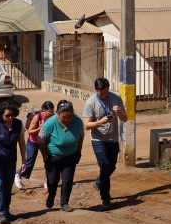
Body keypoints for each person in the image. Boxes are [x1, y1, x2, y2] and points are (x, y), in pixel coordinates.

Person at [83, 78, 127, 210]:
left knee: (111, 166)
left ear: (108, 89)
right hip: (98, 140)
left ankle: (99, 182)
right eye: (101, 94)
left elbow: (125, 118)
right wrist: (100, 122)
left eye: (105, 93)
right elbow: (87, 125)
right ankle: (105, 198)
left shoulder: (115, 98)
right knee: (105, 165)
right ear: (96, 91)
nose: (103, 96)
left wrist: (119, 112)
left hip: (112, 139)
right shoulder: (91, 102)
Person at [38, 100, 84, 212]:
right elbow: (40, 140)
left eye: (70, 116)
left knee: (67, 180)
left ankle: (64, 203)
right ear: (58, 114)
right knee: (52, 181)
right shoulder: (50, 122)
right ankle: (51, 196)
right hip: (53, 157)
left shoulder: (78, 121)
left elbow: (81, 136)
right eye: (64, 117)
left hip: (70, 156)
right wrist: (45, 156)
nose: (67, 120)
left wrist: (79, 151)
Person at [0, 101, 26, 224]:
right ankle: (1, 213)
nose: (10, 118)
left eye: (12, 115)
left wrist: (24, 159)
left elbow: (21, 142)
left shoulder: (18, 124)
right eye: (7, 116)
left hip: (10, 161)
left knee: (8, 186)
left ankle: (6, 210)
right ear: (1, 115)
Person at [14, 101, 54, 190]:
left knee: (48, 161)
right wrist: (40, 128)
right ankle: (18, 175)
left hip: (46, 142)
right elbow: (30, 131)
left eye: (52, 111)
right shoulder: (38, 117)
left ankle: (47, 181)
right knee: (30, 161)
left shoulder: (53, 117)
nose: (51, 113)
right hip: (33, 142)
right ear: (44, 110)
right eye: (49, 111)